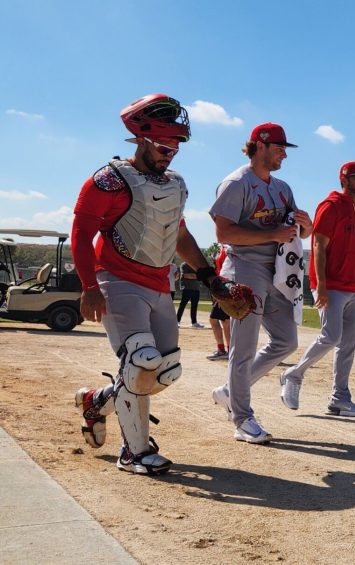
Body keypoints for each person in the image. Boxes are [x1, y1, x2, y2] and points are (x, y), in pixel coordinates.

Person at [72, 93, 222, 475]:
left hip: (159, 285)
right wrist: (89, 286)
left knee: (166, 371)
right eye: (162, 146)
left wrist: (210, 277)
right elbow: (82, 233)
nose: (170, 154)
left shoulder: (174, 184)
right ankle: (134, 452)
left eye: (175, 147)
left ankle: (97, 401)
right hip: (118, 280)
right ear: (140, 139)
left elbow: (179, 236)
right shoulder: (108, 180)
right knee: (142, 360)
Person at [209, 123, 312, 443]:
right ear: (260, 145)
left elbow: (296, 232)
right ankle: (242, 418)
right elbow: (223, 233)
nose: (284, 154)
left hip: (277, 271)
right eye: (279, 148)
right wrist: (272, 234)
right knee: (242, 349)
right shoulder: (236, 183)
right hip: (245, 268)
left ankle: (229, 392)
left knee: (286, 341)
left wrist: (306, 226)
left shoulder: (282, 187)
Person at [280, 161, 355, 417]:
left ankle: (339, 398)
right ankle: (293, 374)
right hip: (331, 285)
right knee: (331, 337)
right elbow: (318, 245)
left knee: (349, 344)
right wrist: (320, 284)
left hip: (353, 287)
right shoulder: (331, 206)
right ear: (344, 180)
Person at [207, 247, 231, 360]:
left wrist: (222, 293)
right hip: (221, 287)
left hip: (225, 288)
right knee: (219, 320)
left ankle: (228, 351)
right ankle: (225, 350)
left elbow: (227, 272)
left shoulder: (228, 249)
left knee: (224, 321)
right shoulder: (223, 249)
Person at [176, 262, 203, 328]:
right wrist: (196, 276)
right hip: (187, 288)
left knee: (194, 306)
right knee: (182, 305)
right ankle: (177, 321)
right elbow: (186, 275)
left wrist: (194, 276)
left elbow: (201, 276)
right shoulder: (184, 265)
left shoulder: (196, 265)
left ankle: (194, 323)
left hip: (196, 289)